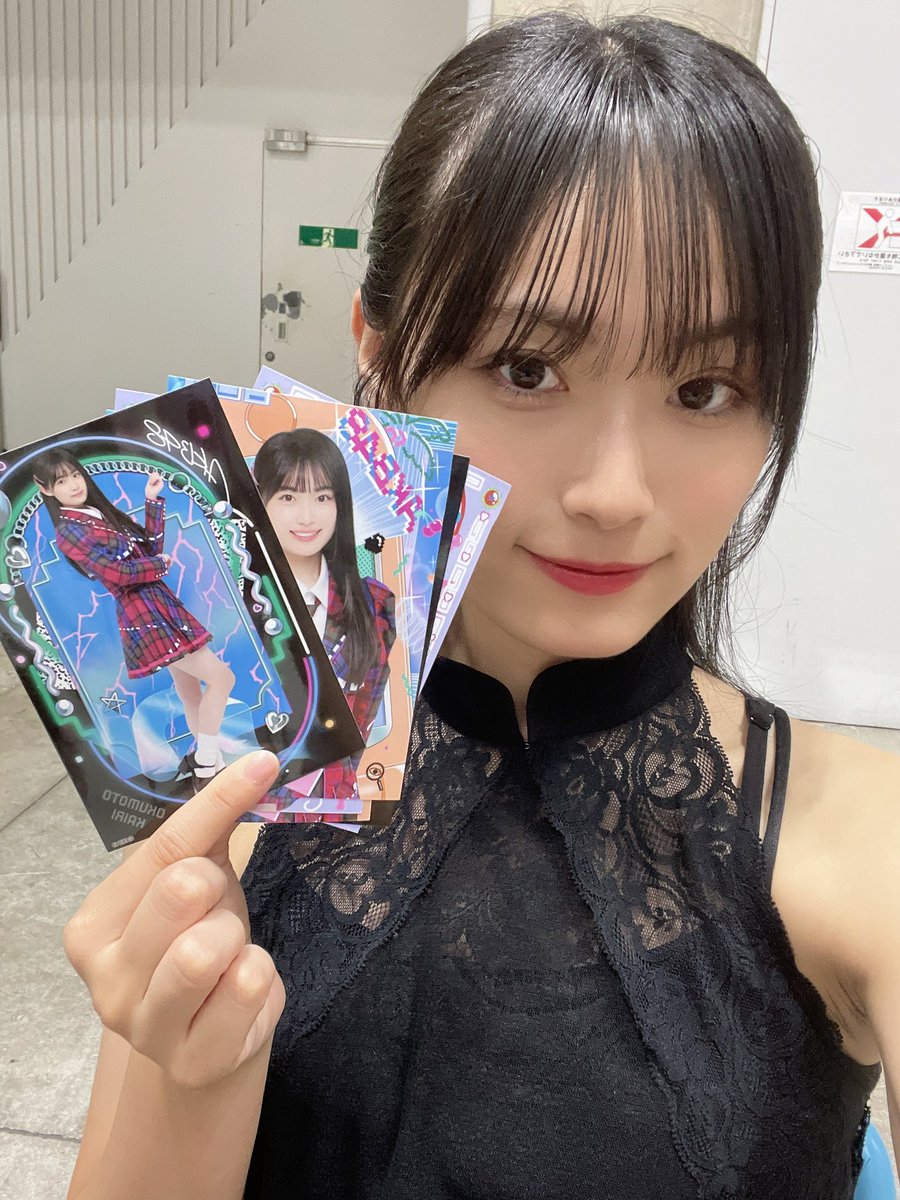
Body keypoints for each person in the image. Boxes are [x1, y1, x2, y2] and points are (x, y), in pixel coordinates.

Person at [63, 13, 899, 1200]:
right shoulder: (236, 790)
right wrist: (193, 1076)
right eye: (527, 368)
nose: (615, 494)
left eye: (706, 387)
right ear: (381, 349)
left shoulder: (861, 843)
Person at [32, 449, 236, 786]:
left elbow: (149, 548)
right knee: (221, 679)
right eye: (62, 481)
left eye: (76, 475)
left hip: (157, 604)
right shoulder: (69, 531)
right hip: (143, 612)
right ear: (45, 488)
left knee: (189, 690)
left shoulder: (97, 513)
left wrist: (151, 501)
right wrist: (159, 566)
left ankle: (209, 763)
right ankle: (206, 758)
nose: (73, 485)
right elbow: (118, 574)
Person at [254, 428, 396, 805]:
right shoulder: (233, 603)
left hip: (334, 804)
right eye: (288, 496)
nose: (306, 517)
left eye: (322, 497)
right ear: (260, 502)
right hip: (246, 802)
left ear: (340, 505)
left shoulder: (375, 604)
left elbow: (362, 725)